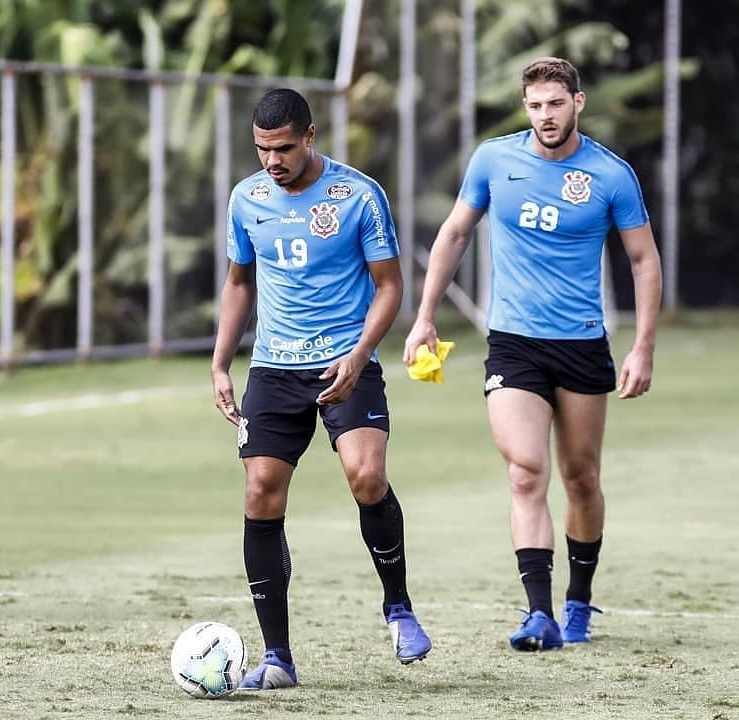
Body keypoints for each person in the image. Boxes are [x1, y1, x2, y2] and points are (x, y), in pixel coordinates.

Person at [403, 57, 662, 650]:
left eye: (555, 103)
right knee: (526, 472)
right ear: (527, 108)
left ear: (578, 102)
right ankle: (538, 613)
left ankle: (578, 602)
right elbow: (455, 232)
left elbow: (644, 261)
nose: (545, 115)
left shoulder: (611, 175)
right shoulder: (494, 160)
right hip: (513, 344)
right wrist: (422, 318)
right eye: (535, 105)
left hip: (581, 346)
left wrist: (642, 347)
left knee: (581, 478)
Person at [211, 88, 432, 689]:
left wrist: (360, 357)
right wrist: (219, 363)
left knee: (366, 476)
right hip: (274, 367)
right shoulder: (246, 198)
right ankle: (277, 658)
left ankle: (398, 606)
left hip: (345, 361)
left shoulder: (358, 195)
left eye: (282, 148)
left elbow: (389, 286)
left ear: (310, 136)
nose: (272, 161)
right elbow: (238, 282)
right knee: (260, 492)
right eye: (261, 150)